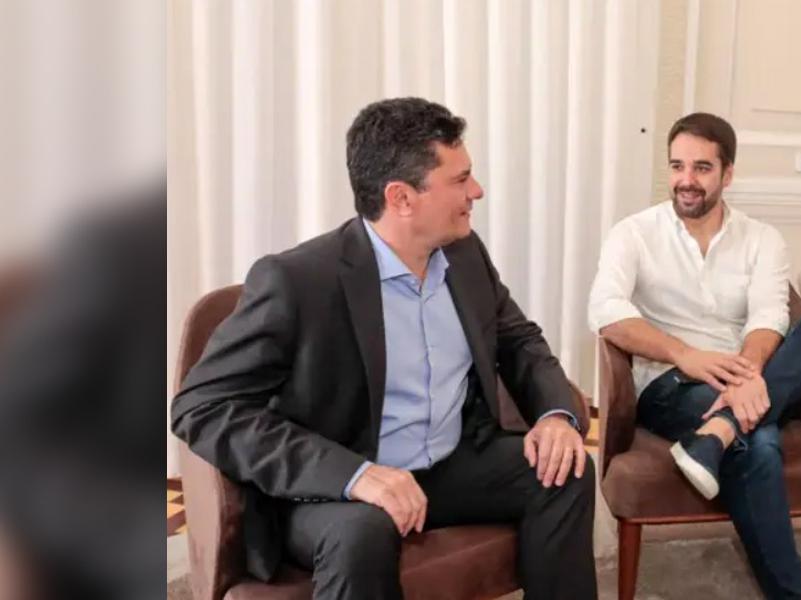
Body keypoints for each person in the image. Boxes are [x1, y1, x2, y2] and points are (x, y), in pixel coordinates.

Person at [170, 97, 597, 600]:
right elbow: (201, 406)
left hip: (449, 462)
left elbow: (519, 339)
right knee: (363, 532)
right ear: (401, 198)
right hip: (337, 486)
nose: (477, 191)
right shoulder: (298, 282)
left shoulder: (464, 254)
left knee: (565, 472)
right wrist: (355, 475)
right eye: (461, 179)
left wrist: (554, 415)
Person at [587, 112, 801, 600]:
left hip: (747, 372)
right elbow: (606, 312)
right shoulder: (634, 233)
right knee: (760, 441)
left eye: (702, 168)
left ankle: (720, 430)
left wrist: (746, 375)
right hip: (671, 383)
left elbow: (769, 316)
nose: (686, 180)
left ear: (728, 174)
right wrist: (685, 354)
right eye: (677, 166)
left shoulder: (762, 239)